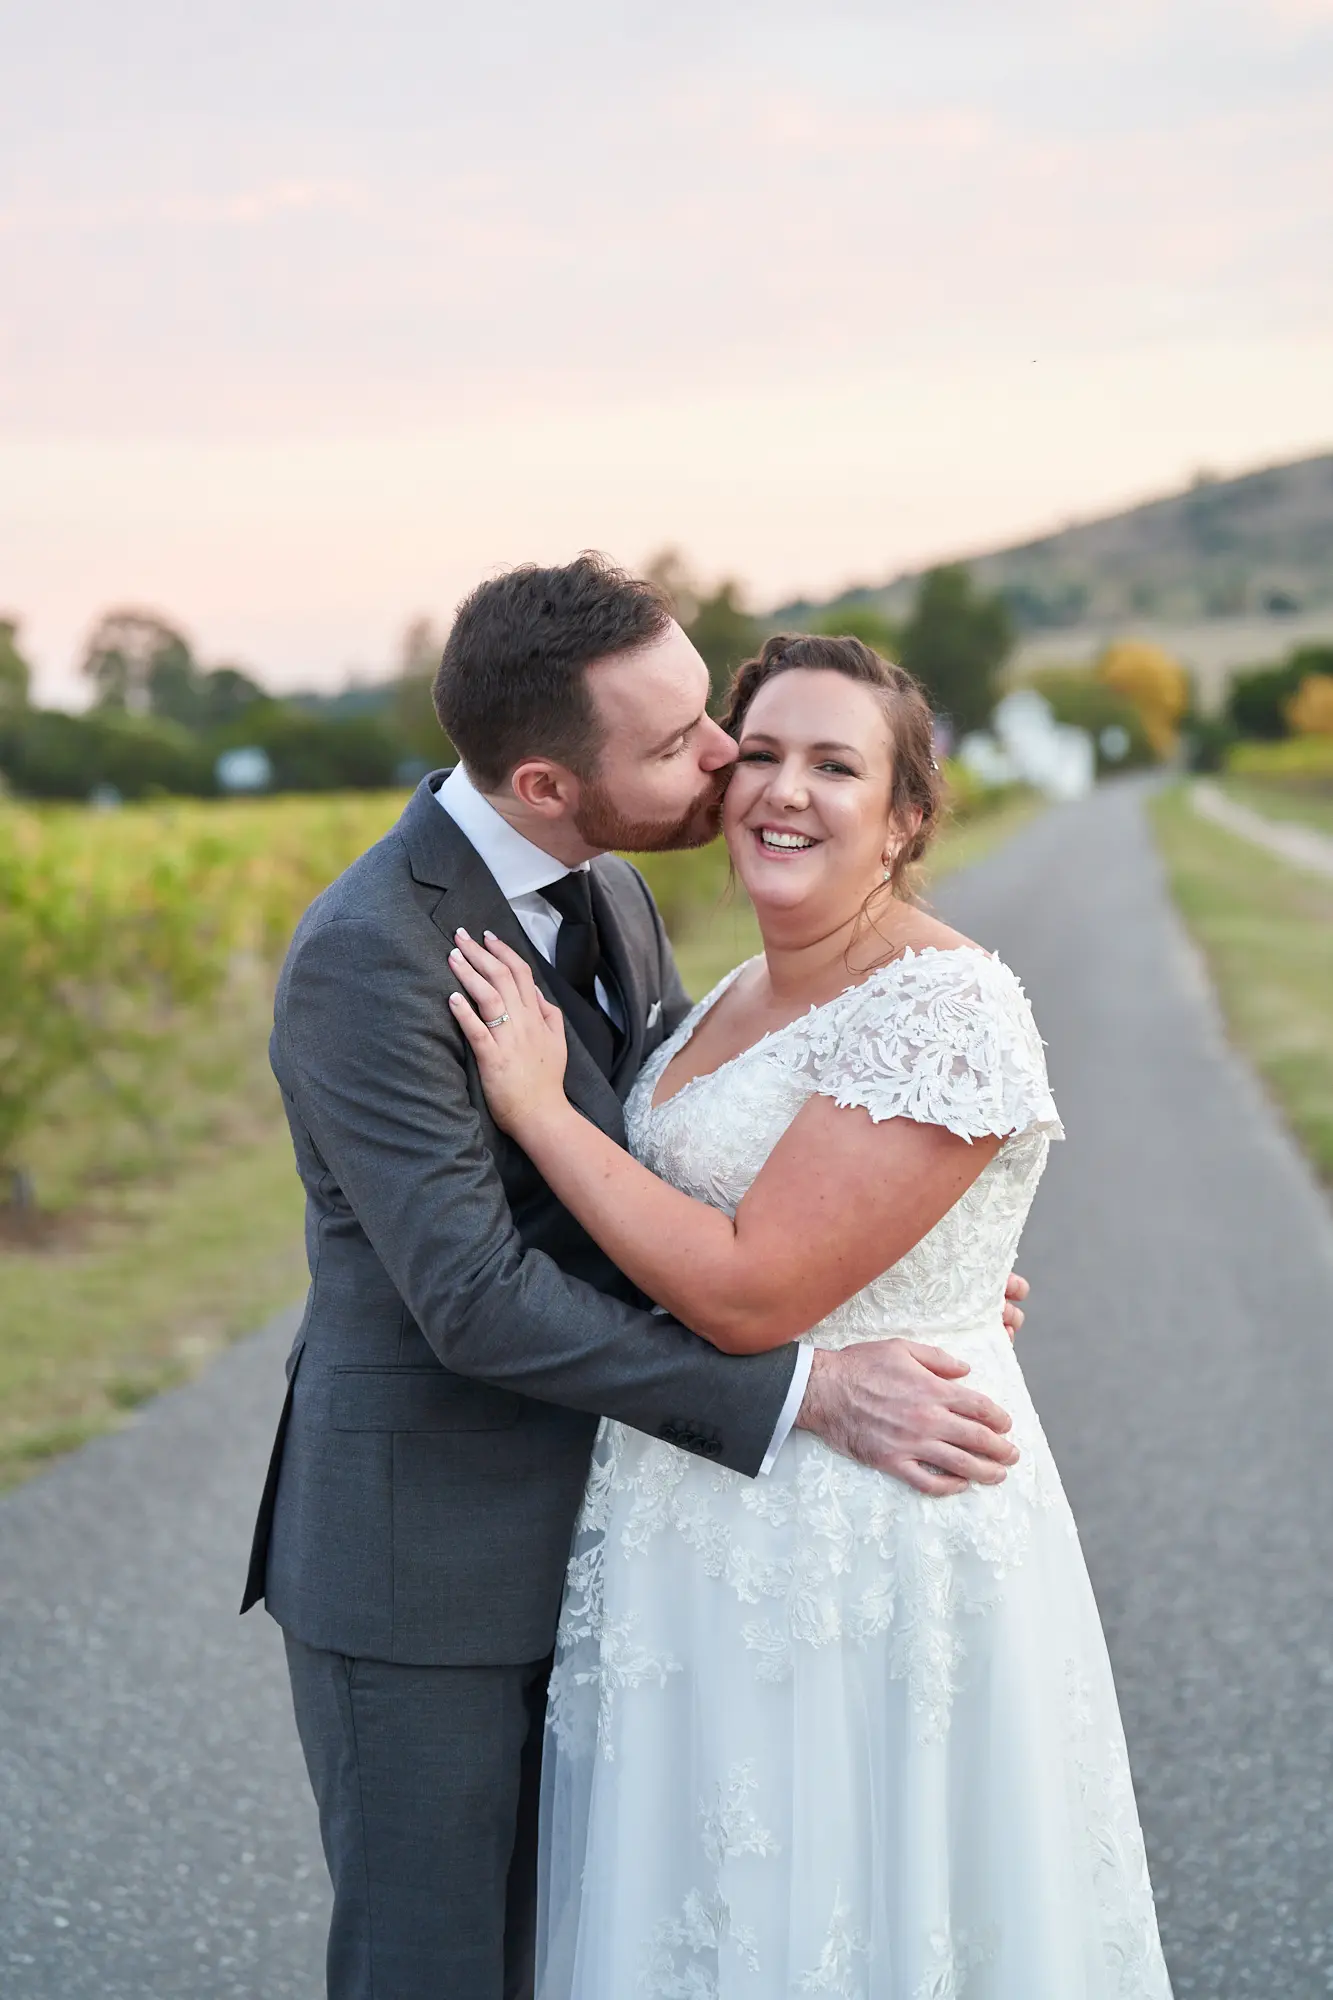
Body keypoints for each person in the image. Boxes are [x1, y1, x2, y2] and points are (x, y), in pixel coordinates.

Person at [242, 558, 1031, 2000]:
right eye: (679, 745)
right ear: (548, 784)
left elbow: (678, 1170)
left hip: (627, 1548)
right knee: (436, 1962)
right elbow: (474, 1295)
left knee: (590, 1947)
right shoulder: (370, 957)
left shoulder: (608, 891)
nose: (727, 760)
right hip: (430, 1555)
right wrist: (807, 1385)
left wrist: (897, 1264)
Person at [449, 631, 1173, 1998]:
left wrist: (539, 1111)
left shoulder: (947, 1007)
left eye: (836, 766)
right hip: (698, 1529)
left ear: (904, 821)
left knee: (854, 1908)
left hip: (863, 1531)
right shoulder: (729, 992)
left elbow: (744, 1289)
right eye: (761, 754)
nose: (784, 790)